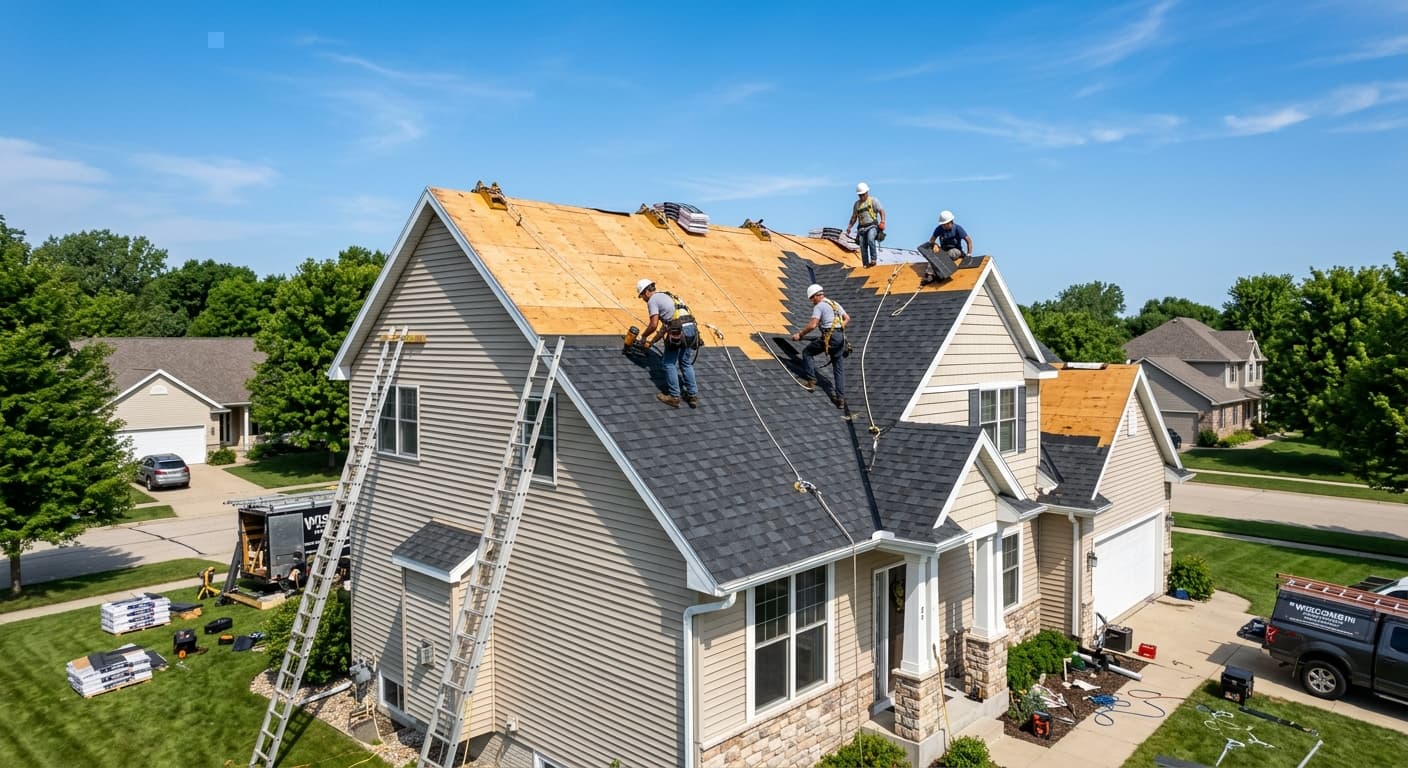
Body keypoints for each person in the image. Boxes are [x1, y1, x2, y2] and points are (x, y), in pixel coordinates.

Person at [636, 278, 700, 408]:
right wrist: (652, 341)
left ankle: (674, 396)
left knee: (668, 363)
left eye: (642, 296)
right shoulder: (667, 296)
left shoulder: (653, 300)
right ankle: (692, 395)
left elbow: (653, 325)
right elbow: (665, 327)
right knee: (685, 362)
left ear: (646, 292)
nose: (643, 299)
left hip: (678, 330)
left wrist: (643, 336)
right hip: (691, 329)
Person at [791, 283, 850, 408]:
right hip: (840, 338)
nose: (812, 302)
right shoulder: (834, 304)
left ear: (816, 296)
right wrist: (837, 328)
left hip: (831, 338)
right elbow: (847, 318)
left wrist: (800, 335)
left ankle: (811, 380)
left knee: (807, 352)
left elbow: (812, 325)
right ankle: (840, 400)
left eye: (812, 299)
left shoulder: (820, 306)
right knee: (838, 369)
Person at [924, 210, 972, 284]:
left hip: (956, 250)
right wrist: (935, 245)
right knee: (933, 257)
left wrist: (969, 254)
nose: (944, 226)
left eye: (946, 224)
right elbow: (931, 240)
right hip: (943, 251)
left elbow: (969, 241)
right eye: (943, 224)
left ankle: (941, 273)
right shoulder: (939, 229)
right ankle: (930, 275)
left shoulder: (958, 228)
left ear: (951, 222)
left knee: (951, 253)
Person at [844, 182, 886, 268]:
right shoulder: (857, 204)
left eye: (863, 194)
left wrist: (882, 222)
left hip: (872, 226)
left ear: (867, 192)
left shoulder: (873, 201)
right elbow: (854, 217)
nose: (862, 196)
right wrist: (849, 227)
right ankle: (866, 265)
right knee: (863, 247)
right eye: (860, 195)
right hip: (861, 229)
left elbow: (881, 211)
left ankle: (873, 259)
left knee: (871, 239)